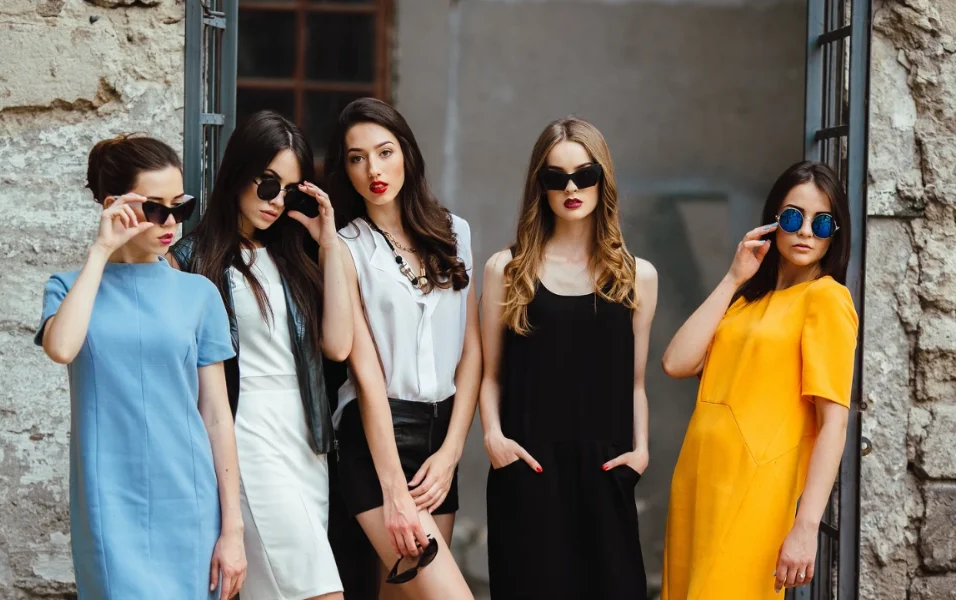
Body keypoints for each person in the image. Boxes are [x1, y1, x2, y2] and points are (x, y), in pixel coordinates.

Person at [36, 135, 246, 599]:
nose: (171, 222)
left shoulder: (198, 296)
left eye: (181, 206)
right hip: (108, 501)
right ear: (117, 206)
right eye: (155, 209)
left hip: (190, 499)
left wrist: (233, 529)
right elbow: (62, 349)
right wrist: (99, 251)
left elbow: (216, 414)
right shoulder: (68, 288)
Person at [171, 110, 351, 600]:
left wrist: (330, 245)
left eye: (291, 192)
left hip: (305, 440)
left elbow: (338, 345)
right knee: (321, 592)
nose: (276, 201)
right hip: (246, 437)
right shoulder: (190, 260)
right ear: (239, 172)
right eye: (268, 184)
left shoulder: (294, 259)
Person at [661, 161, 859, 598]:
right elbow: (676, 362)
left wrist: (806, 528)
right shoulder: (746, 301)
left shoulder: (827, 300)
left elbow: (834, 424)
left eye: (821, 222)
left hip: (754, 493)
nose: (806, 231)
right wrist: (734, 277)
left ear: (835, 233)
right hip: (698, 483)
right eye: (792, 217)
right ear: (773, 222)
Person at [479, 117, 656, 599]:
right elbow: (490, 376)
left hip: (605, 477)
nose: (571, 187)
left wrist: (640, 453)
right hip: (528, 475)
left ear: (604, 179)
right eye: (555, 177)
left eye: (584, 174)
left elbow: (635, 382)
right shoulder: (507, 269)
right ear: (541, 186)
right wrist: (493, 439)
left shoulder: (638, 276)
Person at [323, 97, 479, 599]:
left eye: (385, 151)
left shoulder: (455, 233)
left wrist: (452, 453)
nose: (374, 169)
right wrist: (393, 489)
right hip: (376, 443)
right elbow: (365, 373)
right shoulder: (346, 247)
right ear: (344, 168)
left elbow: (471, 354)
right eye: (356, 157)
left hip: (439, 440)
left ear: (407, 154)